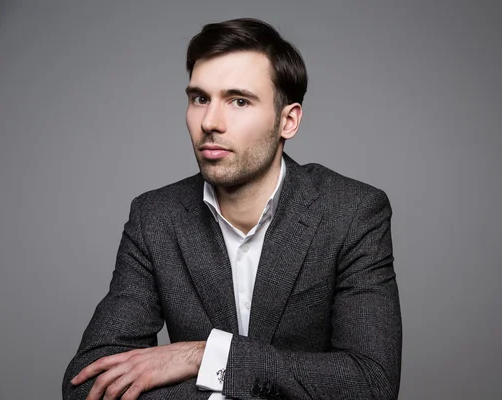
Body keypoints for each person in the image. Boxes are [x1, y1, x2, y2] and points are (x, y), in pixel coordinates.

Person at [62, 18, 402, 400]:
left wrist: (207, 356)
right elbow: (88, 383)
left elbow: (370, 384)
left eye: (239, 101)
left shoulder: (352, 212)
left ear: (287, 120)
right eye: (199, 98)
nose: (209, 122)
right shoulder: (155, 218)